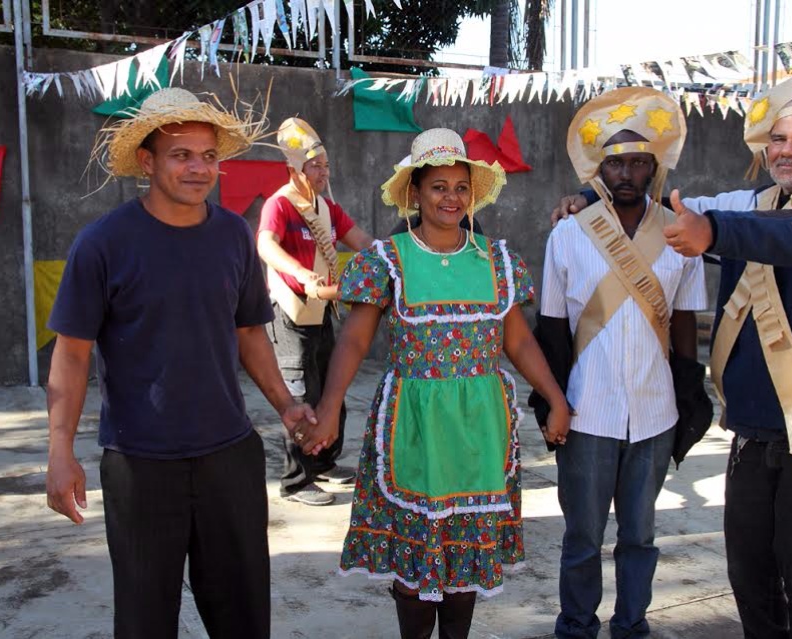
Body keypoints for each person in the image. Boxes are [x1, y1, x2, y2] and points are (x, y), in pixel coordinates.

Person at [559, 65, 792, 638]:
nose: (787, 151)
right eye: (778, 139)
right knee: (750, 571)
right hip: (757, 427)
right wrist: (592, 195)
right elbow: (671, 207)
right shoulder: (753, 200)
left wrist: (716, 231)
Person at [45, 88, 316, 638]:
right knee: (145, 621)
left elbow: (249, 333)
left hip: (229, 456)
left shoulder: (233, 235)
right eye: (181, 155)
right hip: (140, 464)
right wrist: (59, 450)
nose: (199, 168)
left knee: (242, 618)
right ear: (146, 162)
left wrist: (286, 405)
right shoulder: (103, 243)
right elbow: (71, 354)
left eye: (209, 156)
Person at [298, 128, 571, 639]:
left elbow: (519, 343)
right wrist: (331, 407)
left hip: (481, 428)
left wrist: (555, 397)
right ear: (416, 194)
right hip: (413, 427)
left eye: (460, 187)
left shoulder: (496, 260)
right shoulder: (387, 260)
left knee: (464, 560)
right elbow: (354, 343)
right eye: (438, 186)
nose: (451, 197)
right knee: (416, 560)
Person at [534, 88, 707, 639]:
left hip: (655, 412)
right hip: (587, 412)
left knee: (640, 535)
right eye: (615, 161)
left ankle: (631, 624)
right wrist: (554, 404)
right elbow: (553, 331)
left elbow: (683, 323)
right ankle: (576, 626)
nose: (627, 172)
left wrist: (688, 396)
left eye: (638, 161)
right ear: (598, 168)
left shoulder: (682, 232)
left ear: (654, 165)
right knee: (582, 536)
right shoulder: (568, 233)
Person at [257, 117, 374, 505]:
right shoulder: (281, 204)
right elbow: (266, 247)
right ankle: (296, 480)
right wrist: (299, 272)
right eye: (315, 165)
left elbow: (362, 241)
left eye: (325, 164)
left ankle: (324, 463)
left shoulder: (327, 207)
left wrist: (398, 256)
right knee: (300, 393)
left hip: (322, 308)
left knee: (329, 388)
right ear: (295, 168)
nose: (324, 172)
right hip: (289, 312)